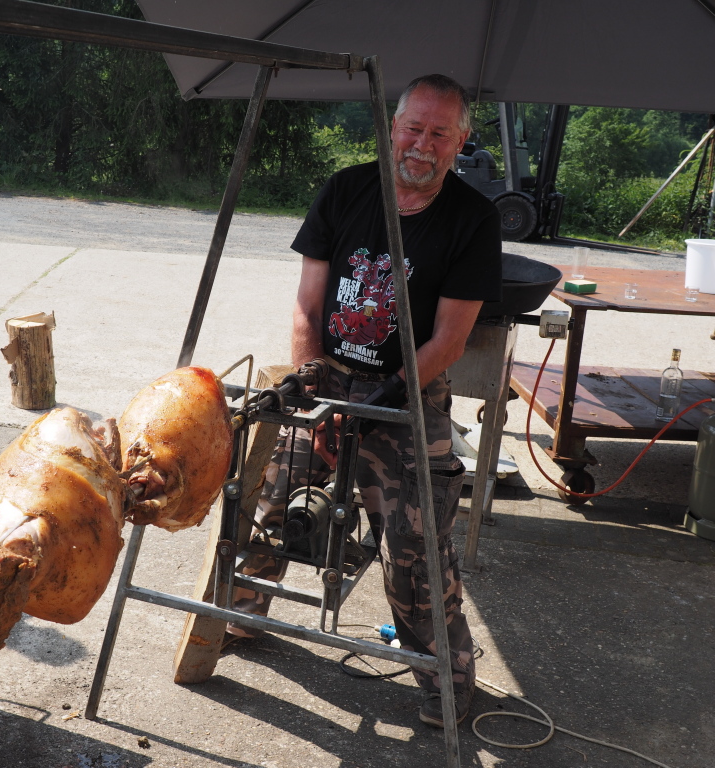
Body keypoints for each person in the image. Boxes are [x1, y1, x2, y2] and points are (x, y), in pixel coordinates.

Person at [229, 74, 502, 728]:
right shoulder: (346, 189)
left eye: (440, 134)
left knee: (414, 552)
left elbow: (449, 340)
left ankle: (446, 680)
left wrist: (370, 405)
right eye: (414, 128)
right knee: (268, 500)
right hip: (328, 377)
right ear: (391, 128)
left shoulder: (473, 218)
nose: (423, 144)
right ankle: (238, 613)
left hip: (409, 392)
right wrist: (316, 393)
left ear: (460, 141)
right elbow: (307, 307)